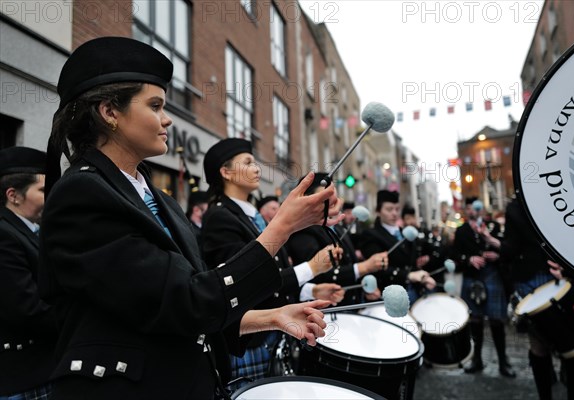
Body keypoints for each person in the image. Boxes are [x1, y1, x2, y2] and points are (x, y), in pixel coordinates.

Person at [39, 36, 342, 400]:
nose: (167, 118)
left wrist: (272, 317)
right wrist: (283, 227)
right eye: (154, 105)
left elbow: (187, 306)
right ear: (110, 112)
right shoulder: (83, 195)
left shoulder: (155, 197)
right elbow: (186, 302)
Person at [201, 141, 344, 388]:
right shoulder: (219, 217)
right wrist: (311, 268)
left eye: (255, 162)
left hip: (274, 332)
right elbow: (243, 283)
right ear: (225, 172)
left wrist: (310, 291)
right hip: (246, 340)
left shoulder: (252, 216)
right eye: (247, 162)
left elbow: (270, 280)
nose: (257, 168)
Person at [502, 197, 574, 399]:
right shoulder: (557, 194)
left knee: (540, 346)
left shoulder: (516, 207)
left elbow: (510, 250)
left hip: (535, 279)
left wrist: (499, 247)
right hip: (562, 274)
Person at [0, 147, 55, 400]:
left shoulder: (31, 231)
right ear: (14, 195)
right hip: (22, 375)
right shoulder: (4, 235)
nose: (51, 196)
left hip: (38, 369)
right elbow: (27, 308)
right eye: (43, 190)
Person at [286, 174, 386, 306]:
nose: (334, 202)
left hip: (351, 308)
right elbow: (316, 274)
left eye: (335, 195)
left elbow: (348, 262)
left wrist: (364, 288)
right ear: (306, 198)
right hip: (325, 313)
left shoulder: (337, 227)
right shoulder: (301, 230)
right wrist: (364, 267)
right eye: (326, 197)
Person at [452, 197, 515, 377]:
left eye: (476, 208)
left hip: (492, 274)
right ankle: (476, 359)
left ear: (481, 209)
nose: (473, 211)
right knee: (475, 321)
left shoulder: (493, 226)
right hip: (472, 276)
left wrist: (497, 255)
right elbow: (454, 255)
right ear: (466, 210)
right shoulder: (461, 231)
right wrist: (469, 259)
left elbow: (506, 249)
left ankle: (503, 361)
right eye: (470, 208)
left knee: (496, 320)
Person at [359, 190, 436, 293]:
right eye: (389, 209)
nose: (394, 213)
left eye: (397, 209)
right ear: (378, 211)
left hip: (414, 290)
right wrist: (408, 275)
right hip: (390, 294)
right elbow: (377, 269)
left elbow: (411, 262)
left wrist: (422, 277)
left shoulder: (405, 231)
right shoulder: (370, 235)